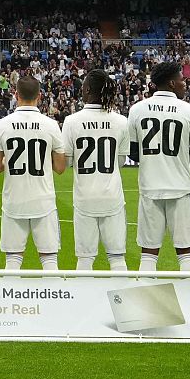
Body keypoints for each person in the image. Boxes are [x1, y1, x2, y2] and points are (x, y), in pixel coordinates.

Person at [127, 61, 190, 271]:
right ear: (172, 83)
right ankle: (189, 301)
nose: (185, 83)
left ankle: (146, 301)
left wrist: (154, 161)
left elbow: (133, 151)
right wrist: (177, 160)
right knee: (186, 254)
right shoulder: (189, 110)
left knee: (148, 254)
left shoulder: (137, 110)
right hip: (180, 188)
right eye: (182, 79)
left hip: (150, 188)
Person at [0, 76, 67, 270]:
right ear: (39, 96)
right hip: (43, 200)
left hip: (13, 200)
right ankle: (52, 300)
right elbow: (60, 168)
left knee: (13, 261)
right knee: (49, 260)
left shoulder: (2, 124)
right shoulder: (50, 125)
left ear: (16, 95)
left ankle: (11, 301)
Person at [61, 70, 131, 272]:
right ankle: (120, 303)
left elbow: (66, 162)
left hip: (84, 198)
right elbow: (120, 161)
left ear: (88, 89)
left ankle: (83, 304)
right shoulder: (120, 121)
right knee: (117, 259)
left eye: (83, 86)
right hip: (112, 197)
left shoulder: (71, 121)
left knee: (84, 260)